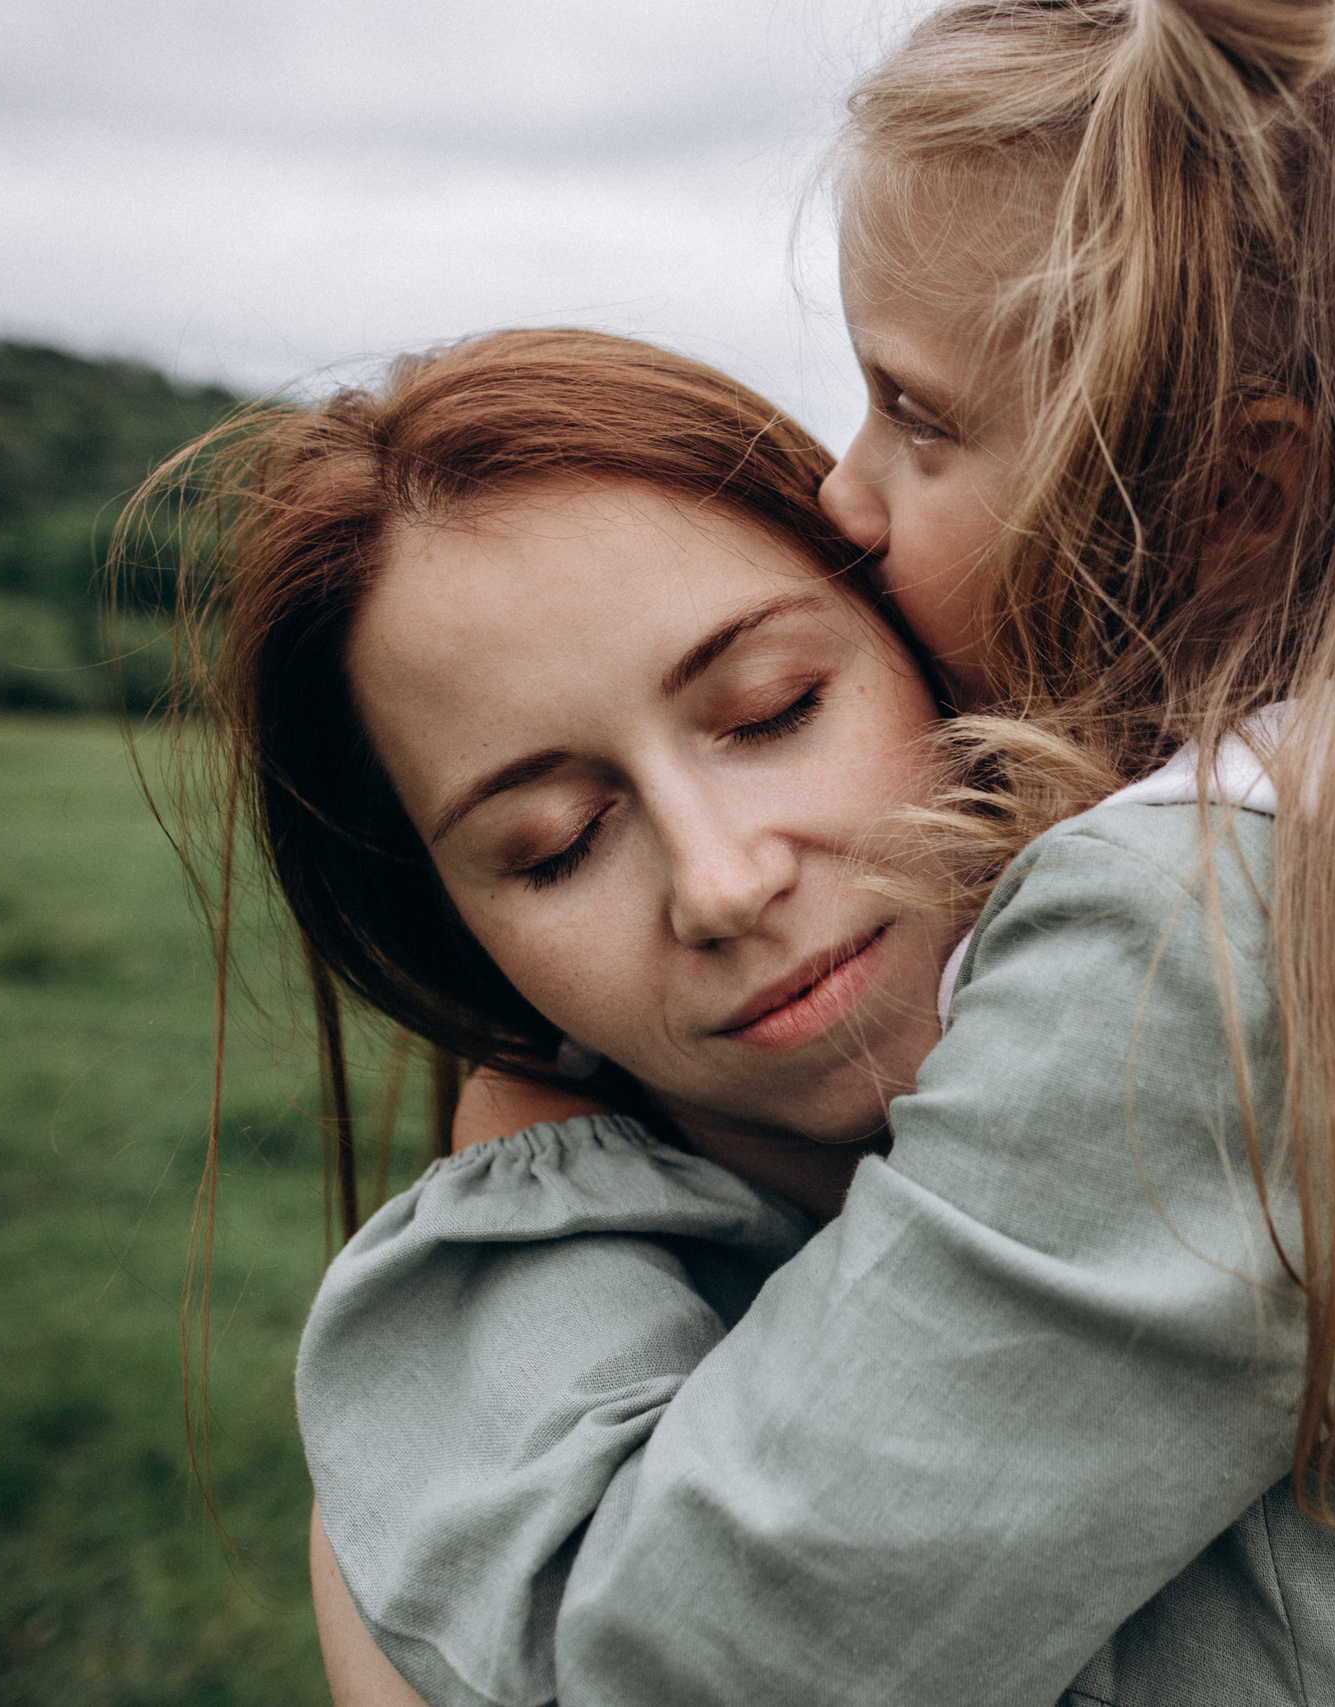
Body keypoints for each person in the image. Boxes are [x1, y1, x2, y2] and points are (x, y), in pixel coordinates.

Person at [297, 1, 1335, 1703]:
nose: (850, 492)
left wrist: (525, 1203)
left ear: (1238, 496)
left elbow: (673, 1671)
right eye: (558, 839)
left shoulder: (1211, 941)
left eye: (917, 413)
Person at [140, 327, 967, 1702]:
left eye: (774, 710)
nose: (723, 881)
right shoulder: (477, 1514)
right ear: (461, 943)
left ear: (928, 641)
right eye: (556, 844)